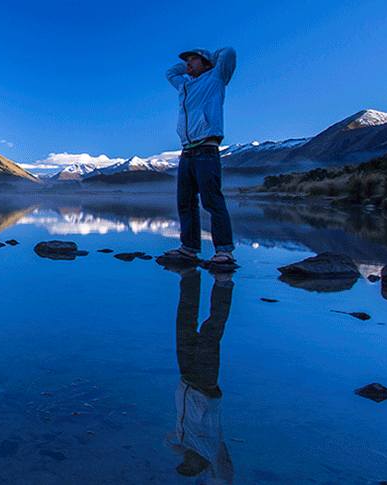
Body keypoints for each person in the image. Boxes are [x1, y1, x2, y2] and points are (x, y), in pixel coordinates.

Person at [163, 47, 237, 266]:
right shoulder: (184, 85)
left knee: (212, 201)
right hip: (187, 151)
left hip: (207, 148)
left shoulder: (215, 79)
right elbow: (170, 73)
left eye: (193, 60)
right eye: (187, 61)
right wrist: (187, 65)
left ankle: (224, 251)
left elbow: (229, 53)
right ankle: (189, 248)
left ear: (206, 63)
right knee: (185, 202)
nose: (188, 64)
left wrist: (210, 60)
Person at [164, 266, 235, 484]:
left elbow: (169, 443)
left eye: (183, 465)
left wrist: (177, 445)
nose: (185, 462)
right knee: (210, 333)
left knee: (184, 322)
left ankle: (190, 278)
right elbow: (225, 476)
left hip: (186, 378)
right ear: (201, 467)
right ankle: (223, 285)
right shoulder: (212, 451)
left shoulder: (182, 441)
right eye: (189, 466)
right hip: (204, 388)